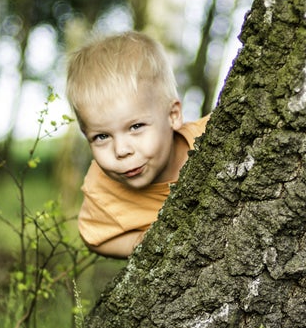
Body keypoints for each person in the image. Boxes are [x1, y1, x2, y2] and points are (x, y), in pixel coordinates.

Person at [66, 31, 210, 259]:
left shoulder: (212, 137)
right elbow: (95, 237)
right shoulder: (101, 190)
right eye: (102, 137)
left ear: (173, 115)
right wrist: (136, 243)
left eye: (136, 127)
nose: (121, 150)